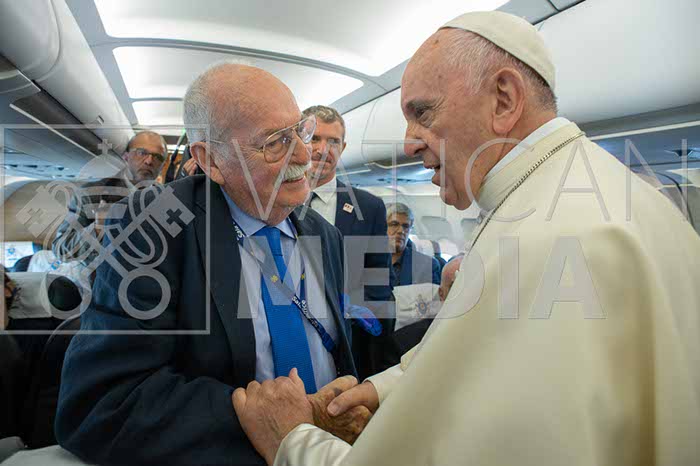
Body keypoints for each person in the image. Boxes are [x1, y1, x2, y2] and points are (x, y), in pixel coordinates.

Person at [231, 11, 700, 466]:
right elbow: (470, 353)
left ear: (503, 100)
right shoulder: (593, 196)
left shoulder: (549, 240)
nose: (409, 143)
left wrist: (293, 441)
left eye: (422, 113)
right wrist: (379, 389)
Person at [54, 63, 358, 466]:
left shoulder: (326, 235)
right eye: (275, 142)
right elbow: (101, 404)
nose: (305, 156)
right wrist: (276, 424)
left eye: (300, 131)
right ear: (210, 159)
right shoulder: (151, 226)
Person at [302, 104, 394, 379]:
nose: (323, 150)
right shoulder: (273, 201)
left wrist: (353, 323)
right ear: (298, 140)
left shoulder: (369, 207)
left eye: (333, 141)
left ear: (343, 148)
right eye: (315, 139)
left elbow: (379, 280)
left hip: (349, 341)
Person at [52, 130, 167, 266]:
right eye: (141, 153)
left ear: (163, 165)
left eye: (158, 157)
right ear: (126, 156)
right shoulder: (89, 194)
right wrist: (97, 229)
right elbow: (60, 249)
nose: (149, 161)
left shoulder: (166, 199)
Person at [386, 203, 440, 287]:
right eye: (394, 224)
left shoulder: (427, 266)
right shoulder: (367, 261)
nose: (401, 231)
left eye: (406, 226)